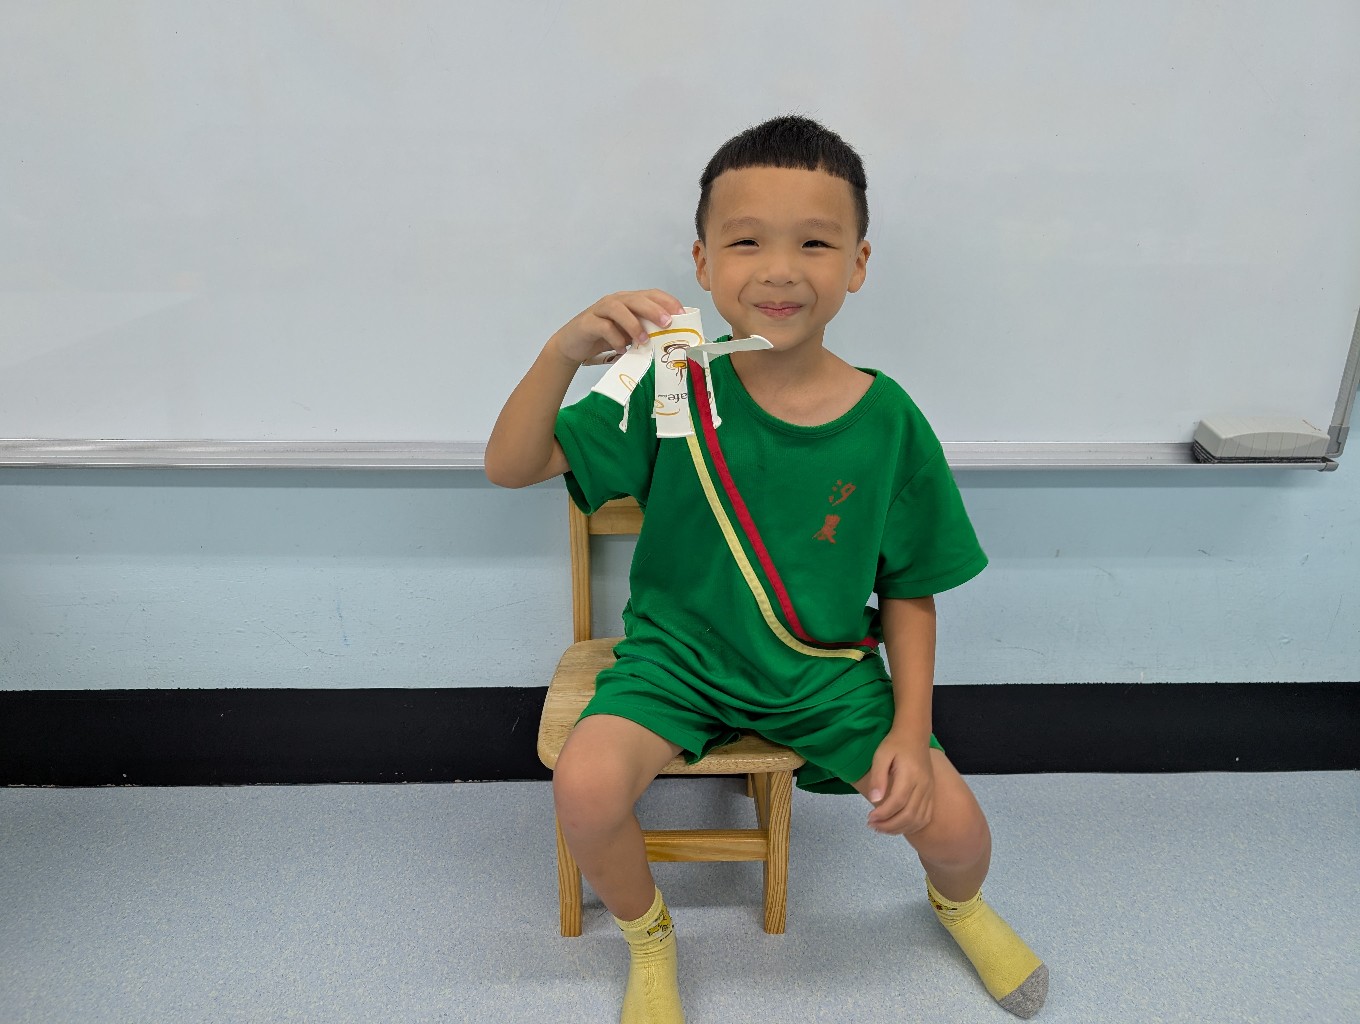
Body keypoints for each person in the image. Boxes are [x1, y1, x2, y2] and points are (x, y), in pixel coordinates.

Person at [485, 115, 1047, 1022]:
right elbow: (511, 465)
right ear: (703, 263)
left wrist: (911, 734)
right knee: (584, 789)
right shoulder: (670, 386)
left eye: (815, 243)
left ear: (858, 264)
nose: (781, 270)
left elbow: (911, 589)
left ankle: (959, 907)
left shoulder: (889, 420)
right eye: (747, 242)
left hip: (823, 673)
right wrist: (562, 354)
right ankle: (649, 939)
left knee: (960, 833)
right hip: (677, 662)